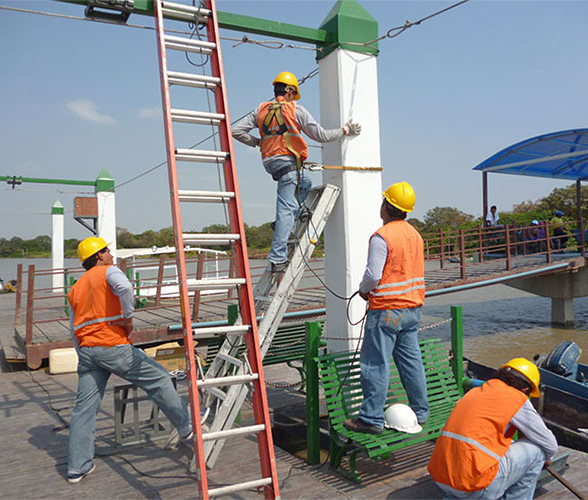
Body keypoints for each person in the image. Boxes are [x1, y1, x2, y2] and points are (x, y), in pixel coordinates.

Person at [66, 237, 192, 483]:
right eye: (107, 251)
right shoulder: (108, 271)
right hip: (112, 345)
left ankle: (77, 467)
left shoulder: (76, 287)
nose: (111, 255)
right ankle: (187, 427)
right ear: (99, 255)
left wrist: (83, 356)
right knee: (159, 378)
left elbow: (73, 329)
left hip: (88, 352)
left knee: (84, 410)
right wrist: (128, 318)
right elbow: (124, 288)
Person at [232, 71, 361, 272]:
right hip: (287, 165)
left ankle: (284, 222)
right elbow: (321, 135)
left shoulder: (261, 109)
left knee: (305, 184)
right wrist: (345, 130)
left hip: (270, 162)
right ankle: (277, 258)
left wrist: (260, 142)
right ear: (290, 91)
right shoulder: (295, 110)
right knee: (286, 208)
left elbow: (236, 131)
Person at [343, 182, 429, 434]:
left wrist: (363, 290)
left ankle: (371, 418)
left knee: (375, 364)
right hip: (412, 310)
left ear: (386, 206)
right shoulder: (415, 235)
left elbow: (373, 275)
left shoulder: (382, 237)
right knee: (411, 362)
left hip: (386, 311)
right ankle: (420, 412)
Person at [428, 358, 558, 499]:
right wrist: (547, 459)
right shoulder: (516, 398)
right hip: (476, 485)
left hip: (441, 478)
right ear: (525, 390)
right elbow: (549, 443)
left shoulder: (475, 392)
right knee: (538, 452)